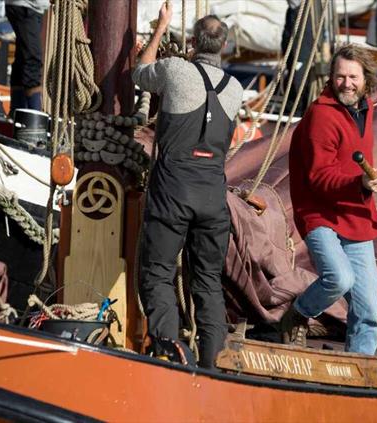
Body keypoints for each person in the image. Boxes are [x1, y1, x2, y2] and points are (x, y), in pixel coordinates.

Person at [133, 2, 243, 369]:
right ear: (223, 46)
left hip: (173, 193)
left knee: (159, 272)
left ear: (194, 41)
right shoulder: (236, 88)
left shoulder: (176, 69)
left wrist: (161, 29)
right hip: (213, 197)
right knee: (208, 280)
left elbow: (140, 73)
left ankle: (170, 351)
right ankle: (215, 362)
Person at [280, 44, 377, 355]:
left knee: (368, 313)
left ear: (365, 78)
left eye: (353, 77)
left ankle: (360, 370)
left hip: (356, 214)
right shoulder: (321, 115)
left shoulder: (365, 107)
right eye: (340, 77)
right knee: (339, 278)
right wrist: (361, 182)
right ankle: (298, 313)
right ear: (331, 77)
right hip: (320, 214)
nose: (346, 84)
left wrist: (367, 182)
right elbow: (319, 177)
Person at [5, 0, 49, 112]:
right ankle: (34, 113)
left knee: (23, 59)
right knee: (32, 59)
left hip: (34, 8)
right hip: (24, 7)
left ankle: (17, 110)